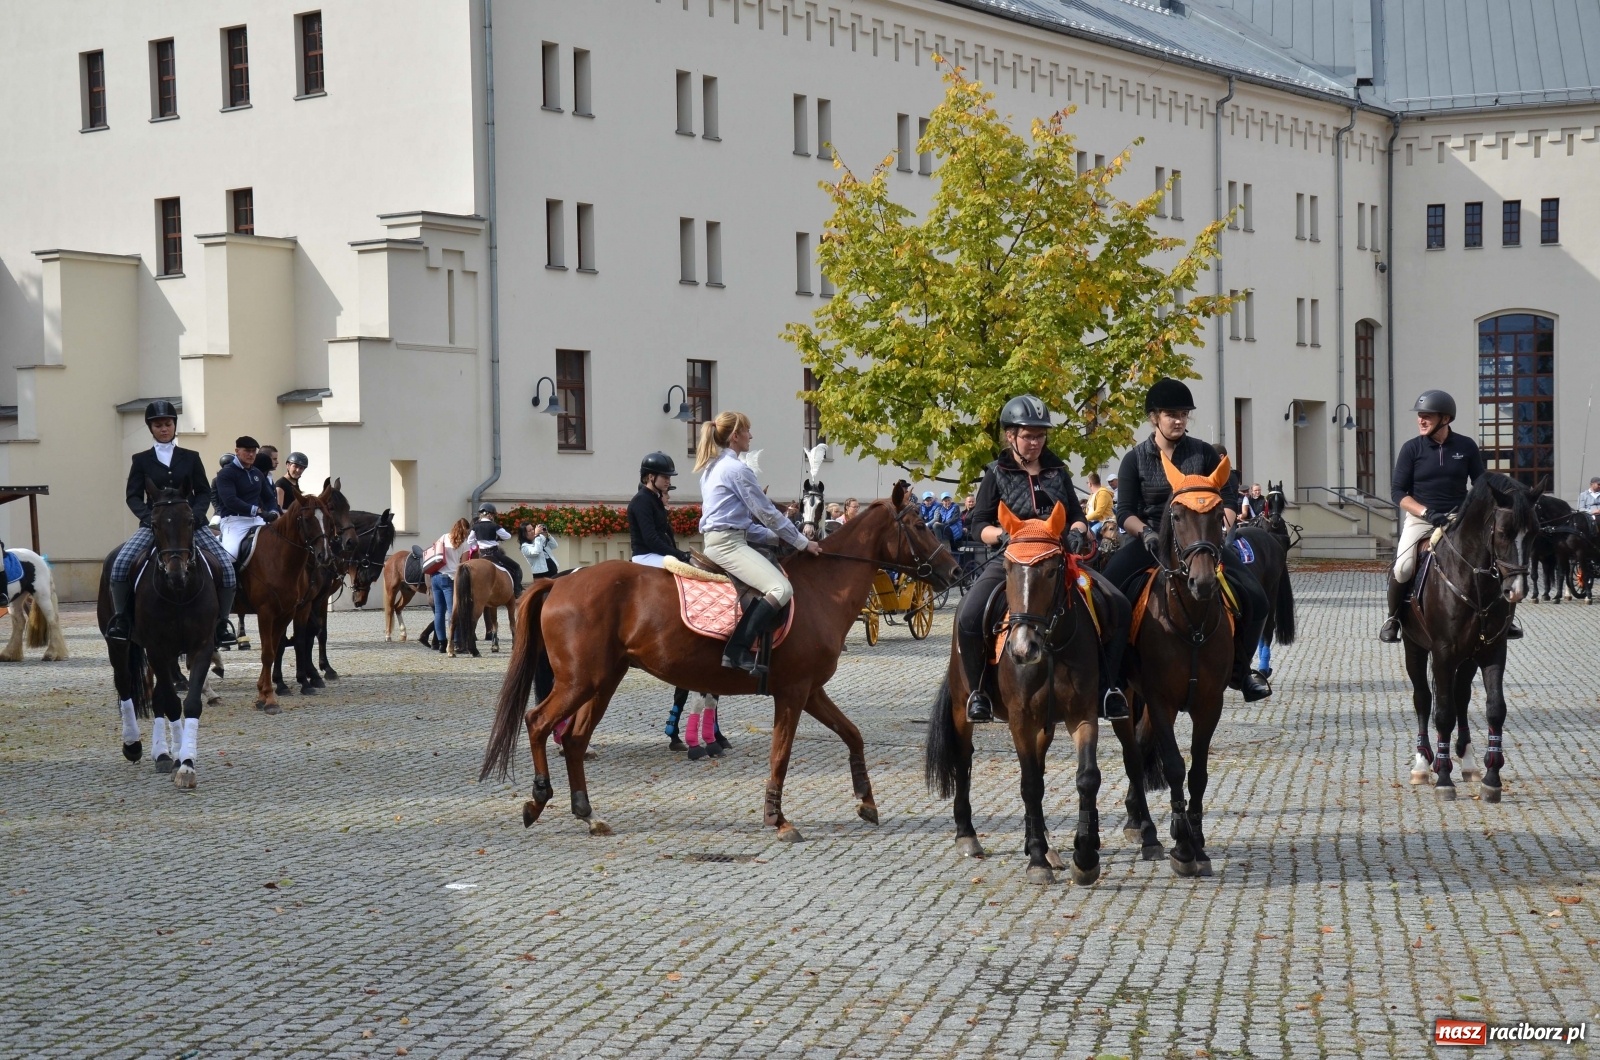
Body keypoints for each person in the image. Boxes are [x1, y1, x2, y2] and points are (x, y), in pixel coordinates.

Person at [955, 394, 1132, 722]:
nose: (1035, 442)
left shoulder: (1057, 470)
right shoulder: (995, 472)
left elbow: (1077, 514)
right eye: (1028, 435)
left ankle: (1110, 688)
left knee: (1118, 605)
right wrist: (1003, 536)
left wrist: (1078, 531)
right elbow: (978, 525)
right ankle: (978, 691)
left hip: (1057, 559)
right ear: (1011, 436)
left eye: (1040, 435)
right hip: (1013, 560)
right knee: (968, 614)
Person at [1101, 379, 1273, 702]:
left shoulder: (1204, 454)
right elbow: (1124, 511)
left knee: (1257, 598)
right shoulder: (1135, 459)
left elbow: (1228, 496)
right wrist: (1146, 533)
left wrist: (1223, 522)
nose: (1178, 419)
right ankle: (1109, 681)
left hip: (1200, 544)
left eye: (1183, 413)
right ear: (1154, 417)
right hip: (1150, 541)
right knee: (1108, 599)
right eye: (1171, 413)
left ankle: (1241, 670)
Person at [1378, 390, 1516, 642]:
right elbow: (1398, 493)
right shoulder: (1411, 449)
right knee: (1403, 567)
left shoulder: (1466, 446)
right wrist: (1427, 512)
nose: (1421, 420)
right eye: (1420, 416)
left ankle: (1505, 617)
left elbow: (1480, 484)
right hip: (1421, 519)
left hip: (1459, 518)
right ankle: (1394, 618)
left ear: (1445, 418)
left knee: (1492, 559)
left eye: (1427, 416)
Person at [696, 411, 822, 674]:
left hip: (724, 539)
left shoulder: (712, 467)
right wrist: (801, 542)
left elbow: (745, 525)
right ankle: (736, 650)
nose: (751, 436)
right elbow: (766, 512)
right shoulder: (737, 469)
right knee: (781, 588)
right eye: (747, 431)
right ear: (735, 436)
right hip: (728, 546)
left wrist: (777, 538)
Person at [106, 401, 239, 647]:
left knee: (228, 570)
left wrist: (197, 516)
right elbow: (133, 495)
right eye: (158, 425)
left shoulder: (190, 458)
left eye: (168, 424)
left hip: (191, 524)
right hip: (154, 526)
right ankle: (122, 619)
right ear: (151, 428)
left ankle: (221, 624)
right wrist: (148, 518)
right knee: (121, 564)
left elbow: (202, 492)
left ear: (174, 425)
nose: (164, 429)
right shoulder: (141, 460)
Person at [627, 451, 721, 753]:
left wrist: (682, 552)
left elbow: (664, 536)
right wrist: (679, 556)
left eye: (668, 477)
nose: (669, 481)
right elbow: (652, 539)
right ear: (649, 477)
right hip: (646, 557)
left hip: (659, 553)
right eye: (665, 476)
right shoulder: (641, 501)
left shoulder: (654, 500)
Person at [214, 436, 282, 560]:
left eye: (253, 451)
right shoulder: (226, 473)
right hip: (234, 521)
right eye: (247, 451)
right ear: (237, 451)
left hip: (258, 520)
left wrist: (273, 512)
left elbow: (269, 498)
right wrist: (257, 511)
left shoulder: (257, 473)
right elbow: (230, 501)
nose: (251, 454)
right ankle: (231, 579)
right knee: (231, 556)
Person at [429, 518, 474, 653]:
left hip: (435, 576)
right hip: (450, 578)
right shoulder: (465, 544)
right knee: (453, 612)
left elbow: (434, 551)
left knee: (439, 612)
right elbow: (464, 564)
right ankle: (455, 641)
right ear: (466, 530)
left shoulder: (443, 537)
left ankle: (442, 643)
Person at [470, 503, 521, 596]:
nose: (493, 517)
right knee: (516, 567)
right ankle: (517, 591)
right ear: (489, 514)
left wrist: (478, 542)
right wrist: (497, 538)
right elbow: (508, 536)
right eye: (493, 515)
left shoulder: (475, 527)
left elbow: (470, 541)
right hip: (494, 554)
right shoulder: (494, 526)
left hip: (481, 555)